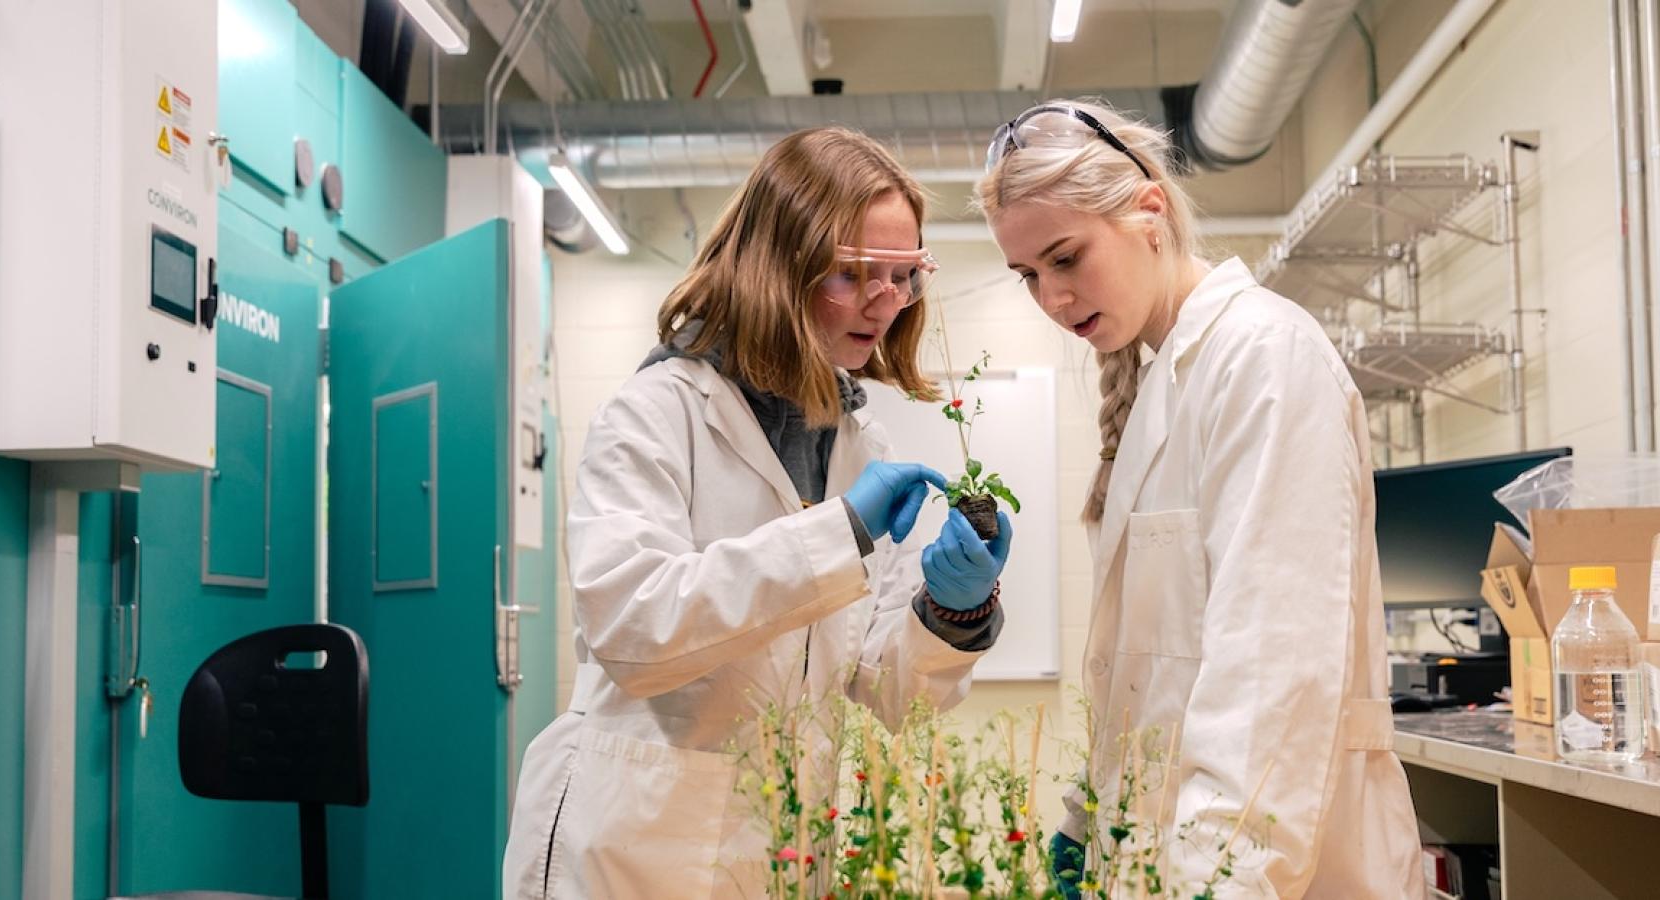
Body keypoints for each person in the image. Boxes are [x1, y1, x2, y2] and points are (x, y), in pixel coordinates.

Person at [503, 127, 1016, 899]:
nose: (887, 302)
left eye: (905, 275)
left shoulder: (855, 442)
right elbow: (631, 630)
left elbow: (888, 688)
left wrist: (952, 610)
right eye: (854, 273)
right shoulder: (655, 414)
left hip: (781, 851)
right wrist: (837, 534)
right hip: (634, 850)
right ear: (778, 265)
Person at [976, 101, 1422, 897]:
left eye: (1065, 258)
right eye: (1029, 275)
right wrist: (1087, 816)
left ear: (1148, 210)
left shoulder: (1265, 360)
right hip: (1167, 854)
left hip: (1268, 869)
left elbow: (1269, 687)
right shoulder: (1161, 383)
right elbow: (1146, 671)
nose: (1050, 297)